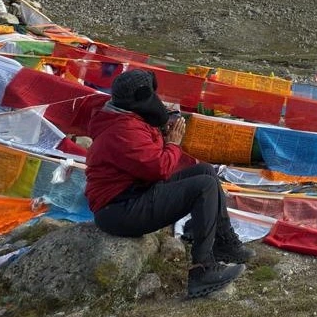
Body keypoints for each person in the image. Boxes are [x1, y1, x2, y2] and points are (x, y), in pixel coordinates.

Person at [85, 69, 254, 298]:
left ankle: (222, 241)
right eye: (151, 94)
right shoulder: (123, 129)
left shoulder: (126, 118)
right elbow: (160, 168)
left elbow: (148, 163)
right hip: (120, 209)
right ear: (141, 98)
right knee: (203, 187)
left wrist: (163, 136)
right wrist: (173, 143)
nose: (156, 99)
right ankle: (202, 271)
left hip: (133, 193)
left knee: (205, 171)